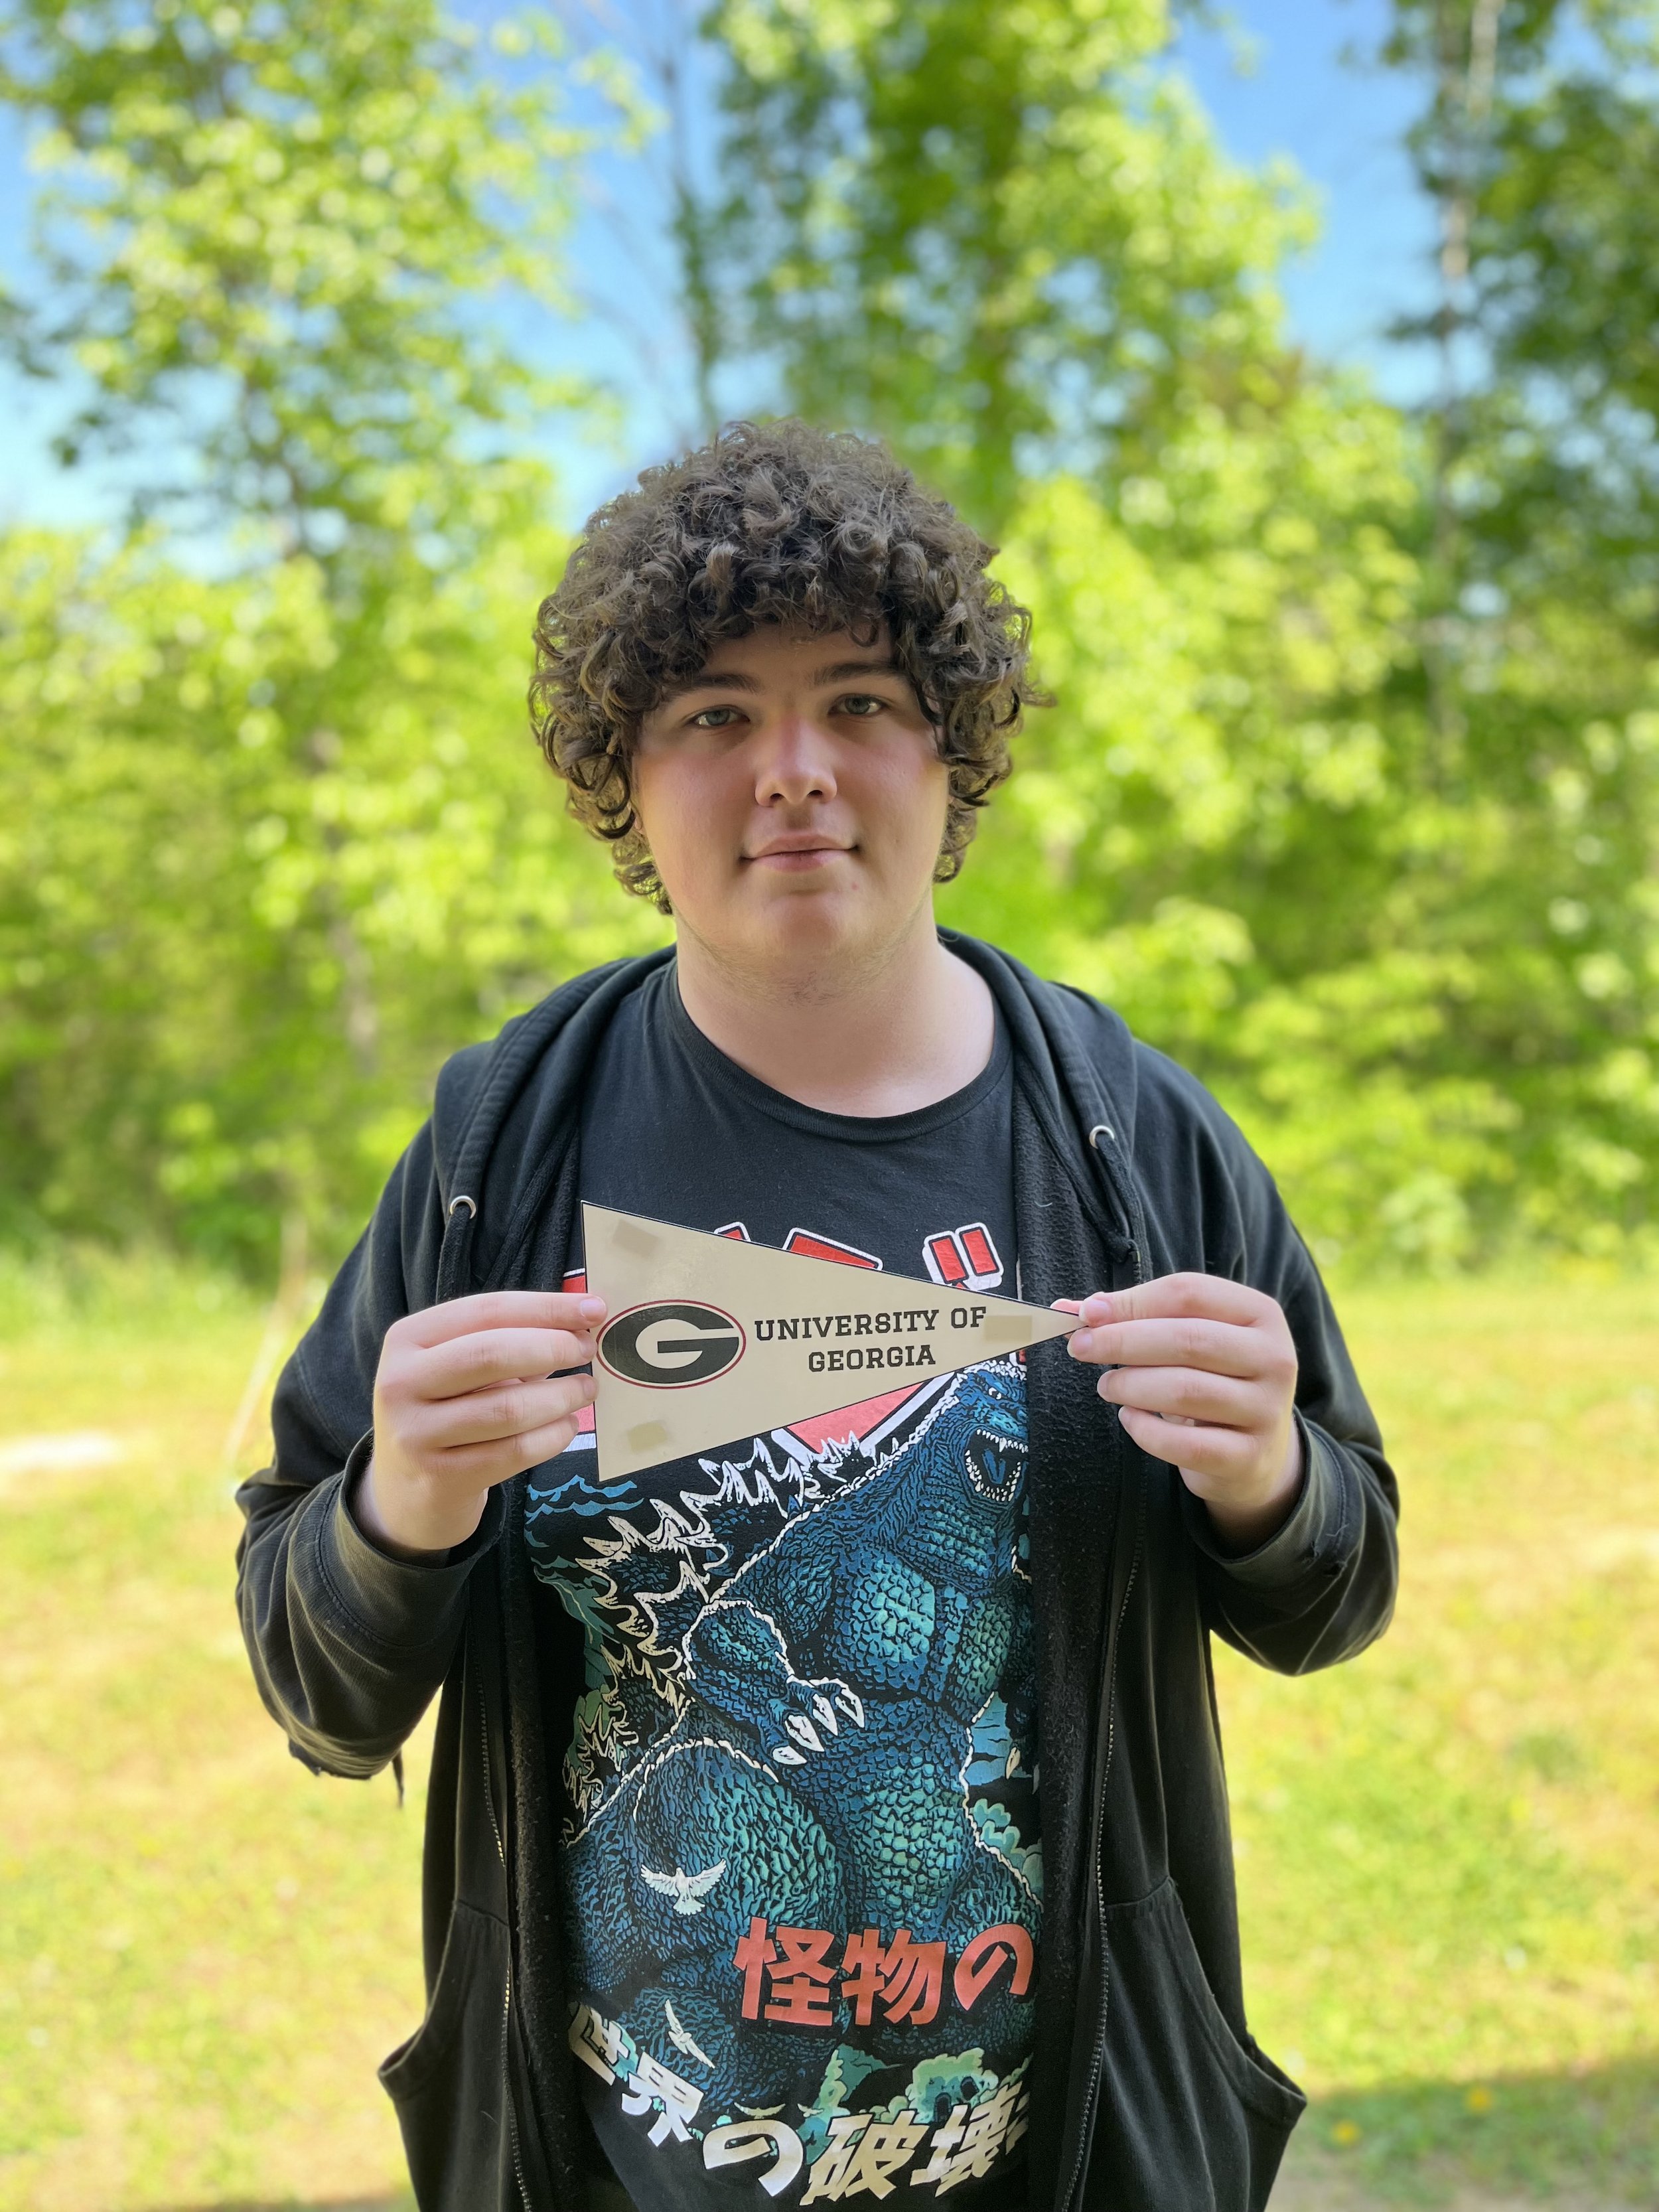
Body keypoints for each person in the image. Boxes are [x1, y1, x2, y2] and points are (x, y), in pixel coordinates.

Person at [237, 419, 1398, 2212]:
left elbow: (1337, 1590)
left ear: (947, 760)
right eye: (712, 713)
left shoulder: (1130, 1138)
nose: (792, 770)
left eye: (857, 701)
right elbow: (319, 1690)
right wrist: (398, 1509)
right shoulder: (498, 1147)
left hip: (1074, 2162)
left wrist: (1266, 1479)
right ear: (627, 779)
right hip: (603, 2170)